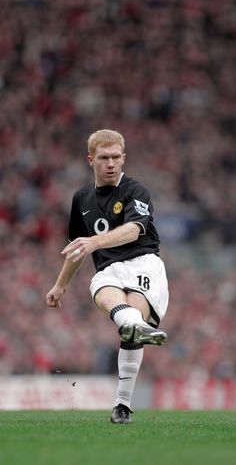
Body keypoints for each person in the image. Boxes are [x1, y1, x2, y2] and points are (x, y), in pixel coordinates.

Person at [46, 129, 169, 423]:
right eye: (104, 158)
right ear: (91, 160)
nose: (111, 163)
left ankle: (122, 406)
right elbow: (77, 247)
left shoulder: (136, 190)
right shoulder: (81, 199)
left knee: (131, 318)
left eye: (116, 157)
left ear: (123, 158)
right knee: (106, 293)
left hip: (143, 263)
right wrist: (60, 285)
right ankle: (137, 327)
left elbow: (134, 229)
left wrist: (95, 242)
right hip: (109, 269)